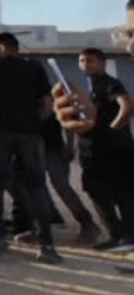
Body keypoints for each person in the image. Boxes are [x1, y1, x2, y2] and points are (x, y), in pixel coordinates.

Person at [0, 32, 62, 263]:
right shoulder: (34, 67)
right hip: (30, 134)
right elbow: (48, 104)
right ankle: (46, 246)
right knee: (37, 186)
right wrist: (34, 122)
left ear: (1, 47)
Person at [74, 46, 134, 251]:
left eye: (91, 60)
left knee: (121, 193)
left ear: (102, 63)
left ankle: (127, 237)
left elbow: (127, 106)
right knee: (97, 191)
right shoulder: (90, 87)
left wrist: (112, 131)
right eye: (82, 61)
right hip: (94, 153)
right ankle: (118, 235)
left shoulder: (110, 84)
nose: (86, 64)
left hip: (114, 151)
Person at [37, 103, 101, 246]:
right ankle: (42, 223)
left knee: (61, 185)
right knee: (33, 186)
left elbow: (65, 115)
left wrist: (70, 144)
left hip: (52, 146)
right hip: (30, 143)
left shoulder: (47, 92)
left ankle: (87, 222)